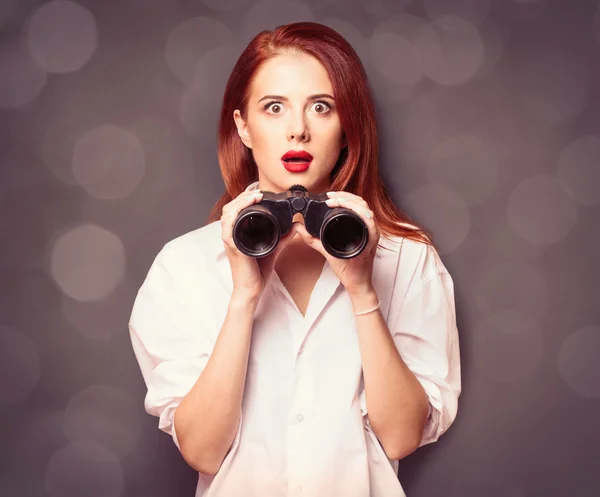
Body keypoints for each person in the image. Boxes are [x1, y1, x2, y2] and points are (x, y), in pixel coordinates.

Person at [128, 21, 461, 497]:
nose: (298, 130)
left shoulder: (407, 259)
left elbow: (402, 436)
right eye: (274, 107)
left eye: (321, 107)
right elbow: (202, 451)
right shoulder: (183, 266)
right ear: (243, 126)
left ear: (346, 127)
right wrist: (244, 296)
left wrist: (363, 291)